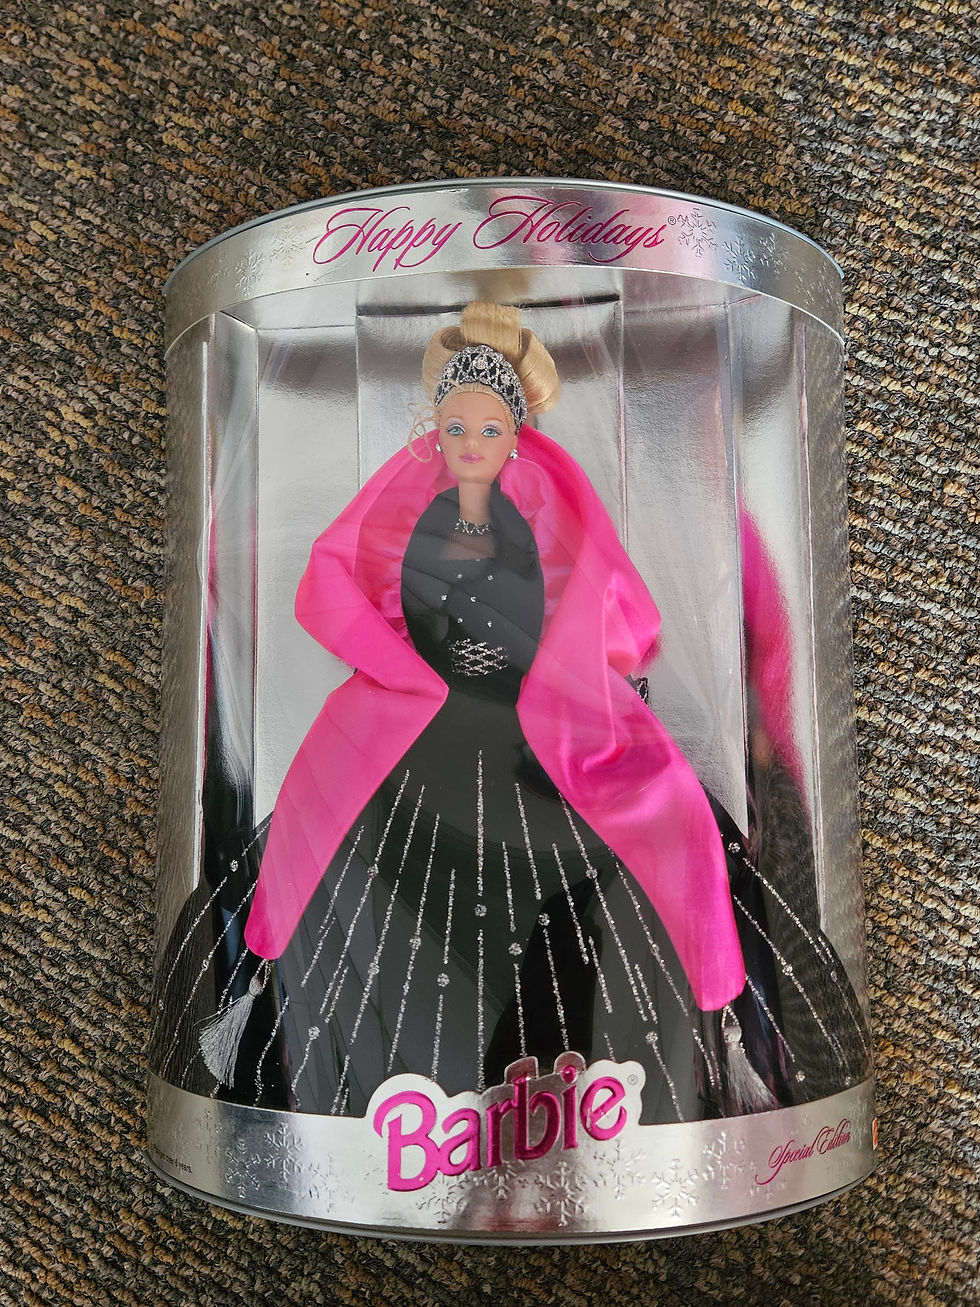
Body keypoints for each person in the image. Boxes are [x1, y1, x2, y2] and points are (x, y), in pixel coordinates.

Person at [150, 302, 870, 1123]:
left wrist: (574, 662)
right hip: (420, 706)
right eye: (457, 426)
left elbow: (611, 592)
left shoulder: (547, 486)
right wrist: (398, 661)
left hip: (539, 710)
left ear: (513, 431)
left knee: (669, 828)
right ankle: (284, 1016)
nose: (469, 443)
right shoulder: (409, 486)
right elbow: (340, 576)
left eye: (488, 429)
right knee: (315, 829)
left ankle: (700, 1033)